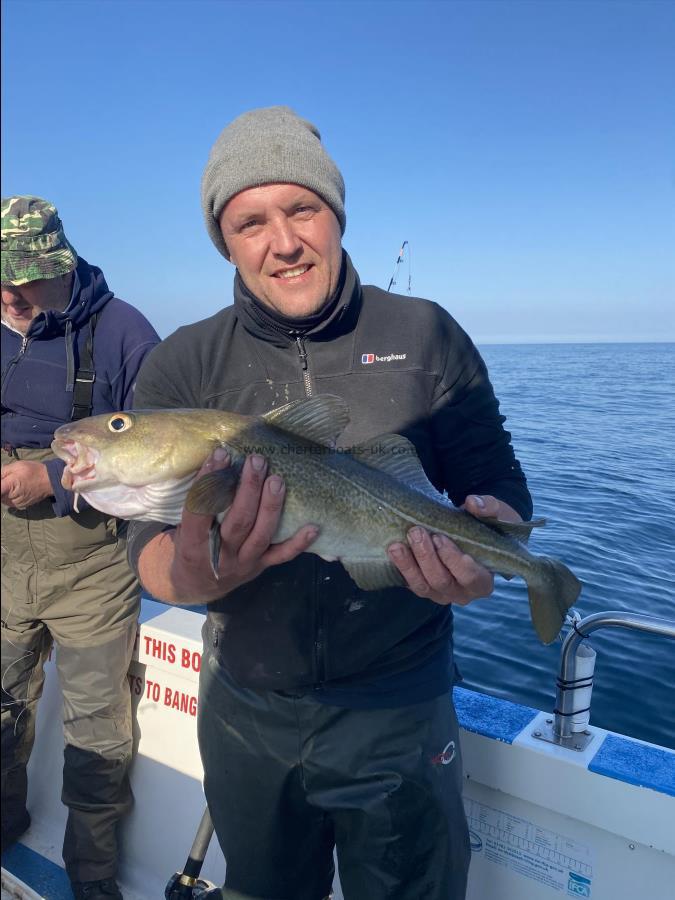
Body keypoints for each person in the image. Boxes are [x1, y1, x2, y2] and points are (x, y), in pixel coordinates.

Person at [128, 106, 533, 900]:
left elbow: (501, 488)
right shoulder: (182, 364)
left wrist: (491, 552)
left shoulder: (424, 333)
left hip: (399, 703)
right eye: (249, 222)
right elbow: (143, 550)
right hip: (246, 704)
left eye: (302, 209)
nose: (282, 243)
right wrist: (199, 574)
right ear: (225, 237)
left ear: (336, 214)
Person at [1, 196, 160, 900]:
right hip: (3, 555)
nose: (10, 294)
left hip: (93, 558)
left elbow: (161, 453)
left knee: (97, 728)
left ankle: (92, 877)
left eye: (24, 279)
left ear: (60, 265)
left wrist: (57, 480)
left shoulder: (124, 331)